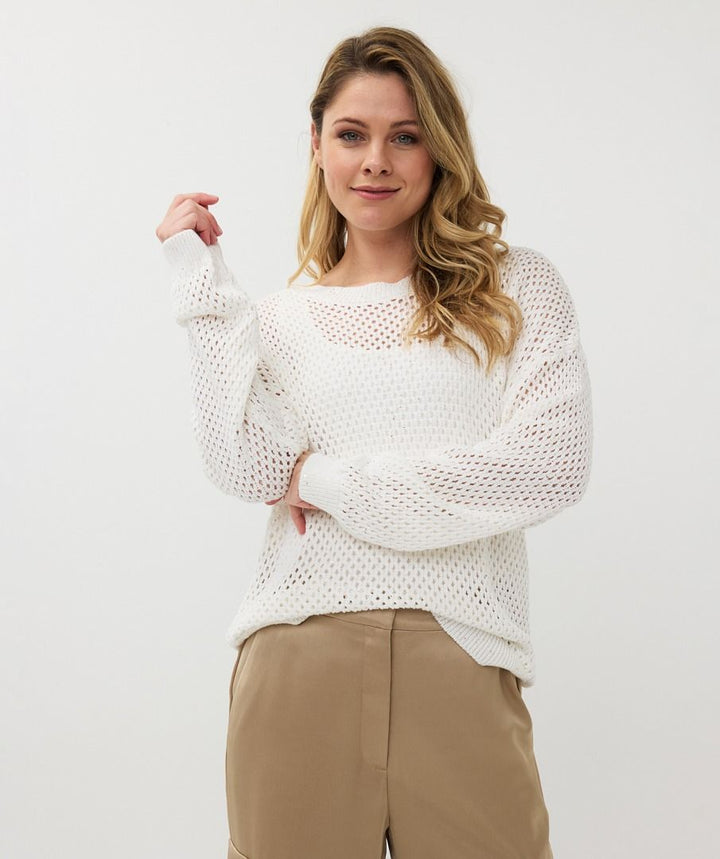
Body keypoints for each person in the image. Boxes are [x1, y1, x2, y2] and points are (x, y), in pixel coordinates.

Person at [156, 25, 592, 859]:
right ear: (317, 145)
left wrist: (322, 480)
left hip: (463, 656)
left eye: (406, 136)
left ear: (440, 149)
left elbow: (548, 467)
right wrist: (200, 284)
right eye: (352, 135)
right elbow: (242, 463)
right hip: (298, 656)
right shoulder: (281, 320)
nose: (376, 162)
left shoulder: (514, 290)